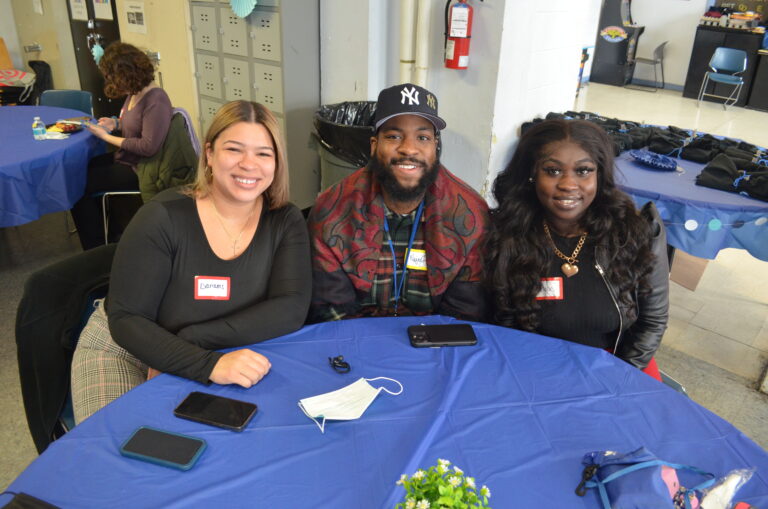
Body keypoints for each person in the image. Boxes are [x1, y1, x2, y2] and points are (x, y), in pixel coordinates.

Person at [70, 101, 311, 423]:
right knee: (116, 443)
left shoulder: (284, 220)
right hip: (126, 348)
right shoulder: (163, 217)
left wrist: (195, 343)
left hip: (219, 345)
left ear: (277, 162)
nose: (249, 164)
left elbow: (291, 306)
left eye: (264, 154)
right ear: (209, 154)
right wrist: (207, 365)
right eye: (234, 149)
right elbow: (127, 319)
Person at [485, 119, 669, 379]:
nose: (569, 184)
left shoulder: (636, 232)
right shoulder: (508, 234)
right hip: (537, 367)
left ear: (599, 175)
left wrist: (618, 379)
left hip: (620, 367)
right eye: (552, 171)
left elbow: (652, 321)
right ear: (532, 174)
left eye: (583, 171)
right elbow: (502, 322)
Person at [307, 83, 488, 322]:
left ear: (435, 147)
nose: (409, 149)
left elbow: (463, 317)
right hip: (355, 338)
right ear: (374, 146)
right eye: (393, 136)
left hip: (436, 340)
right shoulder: (332, 210)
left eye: (422, 137)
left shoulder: (469, 214)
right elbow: (331, 314)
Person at [71, 41, 173, 250]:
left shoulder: (156, 99)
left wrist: (105, 137)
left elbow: (148, 147)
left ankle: (96, 246)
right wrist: (114, 124)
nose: (111, 82)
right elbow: (135, 122)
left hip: (142, 168)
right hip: (128, 157)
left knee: (78, 185)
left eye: (112, 76)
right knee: (81, 168)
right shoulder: (135, 92)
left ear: (127, 74)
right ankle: (109, 228)